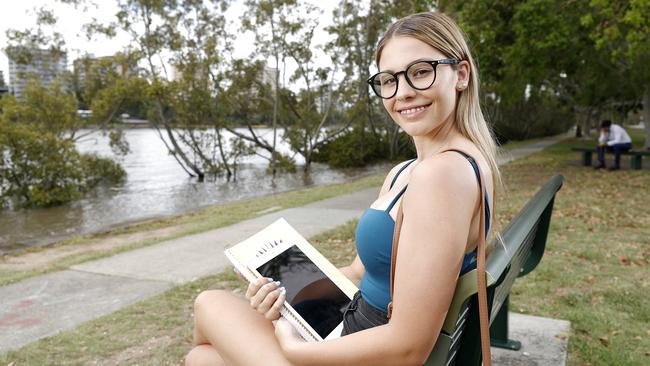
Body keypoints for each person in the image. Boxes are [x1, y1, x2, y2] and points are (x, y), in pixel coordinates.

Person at [185, 11, 500, 366]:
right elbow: (359, 272)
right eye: (388, 80)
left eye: (421, 72)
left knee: (207, 316)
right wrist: (284, 291)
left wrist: (295, 350)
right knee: (204, 353)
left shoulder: (441, 175)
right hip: (353, 323)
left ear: (460, 74)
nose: (404, 92)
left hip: (369, 348)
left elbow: (409, 348)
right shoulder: (412, 171)